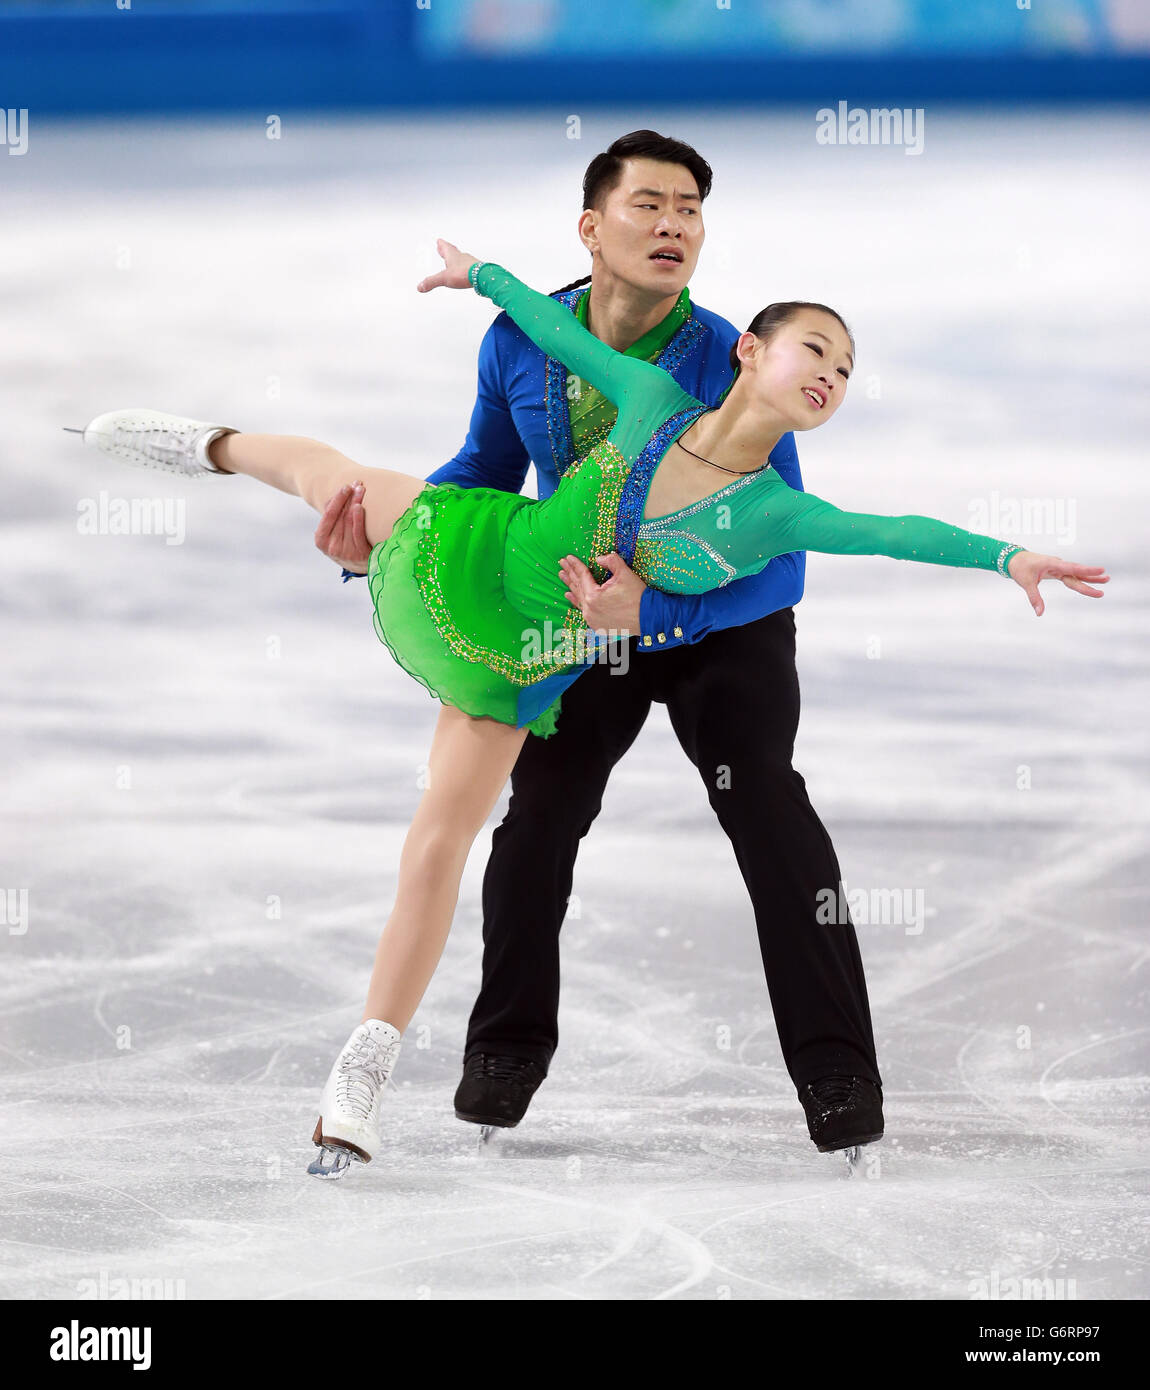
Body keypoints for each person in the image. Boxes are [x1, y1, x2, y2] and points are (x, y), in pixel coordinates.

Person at [73, 242, 1107, 1179]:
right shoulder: (653, 394)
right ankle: (203, 441)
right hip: (471, 545)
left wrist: (1007, 554)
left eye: (844, 371)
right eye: (815, 351)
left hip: (544, 652)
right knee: (324, 478)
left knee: (444, 842)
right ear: (750, 350)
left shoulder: (776, 512)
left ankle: (361, 1073)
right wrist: (481, 276)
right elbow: (554, 329)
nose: (830, 376)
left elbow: (890, 531)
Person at [316, 130, 887, 1161]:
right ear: (591, 227)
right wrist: (383, 542)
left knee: (763, 798)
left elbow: (787, 554)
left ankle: (839, 1071)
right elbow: (480, 477)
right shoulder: (517, 342)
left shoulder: (731, 357)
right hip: (577, 623)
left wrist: (655, 618)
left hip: (720, 623)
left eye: (690, 211)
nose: (674, 226)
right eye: (650, 206)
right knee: (538, 812)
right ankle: (506, 1051)